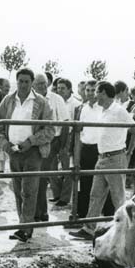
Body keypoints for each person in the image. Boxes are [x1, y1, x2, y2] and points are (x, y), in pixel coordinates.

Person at [0, 68, 54, 243]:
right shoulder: (8, 100)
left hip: (32, 152)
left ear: (32, 83)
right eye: (21, 81)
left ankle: (25, 228)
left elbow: (50, 129)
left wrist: (32, 141)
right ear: (16, 81)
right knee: (18, 190)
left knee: (29, 190)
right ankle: (22, 225)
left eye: (27, 81)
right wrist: (5, 145)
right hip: (13, 152)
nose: (24, 84)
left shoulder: (41, 102)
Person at [69, 81, 131, 240]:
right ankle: (89, 229)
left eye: (97, 92)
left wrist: (128, 151)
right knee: (95, 195)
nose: (94, 95)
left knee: (118, 197)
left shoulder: (119, 111)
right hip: (102, 157)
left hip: (115, 157)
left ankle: (127, 232)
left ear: (103, 93)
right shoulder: (102, 111)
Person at [33, 72, 70, 221]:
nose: (41, 86)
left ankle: (40, 213)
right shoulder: (32, 98)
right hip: (34, 141)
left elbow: (66, 122)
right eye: (38, 84)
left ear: (48, 83)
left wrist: (62, 146)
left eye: (44, 83)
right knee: (35, 177)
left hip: (52, 141)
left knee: (41, 177)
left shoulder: (56, 99)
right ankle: (39, 212)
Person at [74, 80, 101, 217]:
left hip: (99, 149)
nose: (90, 93)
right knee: (84, 182)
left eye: (93, 90)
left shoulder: (102, 108)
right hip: (86, 148)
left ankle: (103, 214)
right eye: (88, 90)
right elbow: (79, 132)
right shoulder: (82, 108)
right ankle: (82, 213)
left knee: (99, 184)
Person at [52, 78, 77, 206]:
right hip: (55, 136)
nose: (59, 90)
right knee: (51, 167)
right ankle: (56, 193)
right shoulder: (54, 100)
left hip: (69, 137)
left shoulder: (75, 104)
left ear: (69, 89)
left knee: (67, 168)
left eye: (62, 88)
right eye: (58, 88)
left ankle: (65, 198)